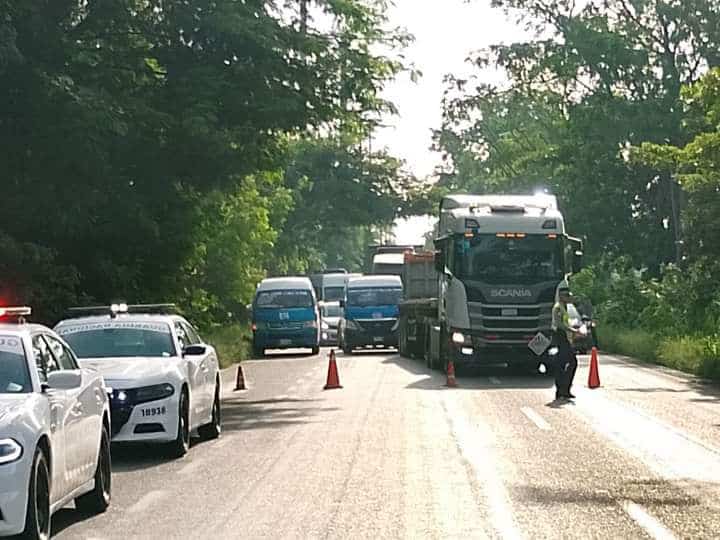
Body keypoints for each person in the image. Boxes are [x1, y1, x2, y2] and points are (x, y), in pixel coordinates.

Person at [552, 287, 581, 400]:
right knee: (569, 363)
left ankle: (564, 390)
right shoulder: (558, 308)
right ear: (561, 297)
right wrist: (573, 331)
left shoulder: (566, 307)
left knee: (564, 364)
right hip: (560, 336)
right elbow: (559, 325)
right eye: (567, 296)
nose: (569, 297)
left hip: (565, 337)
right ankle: (562, 389)